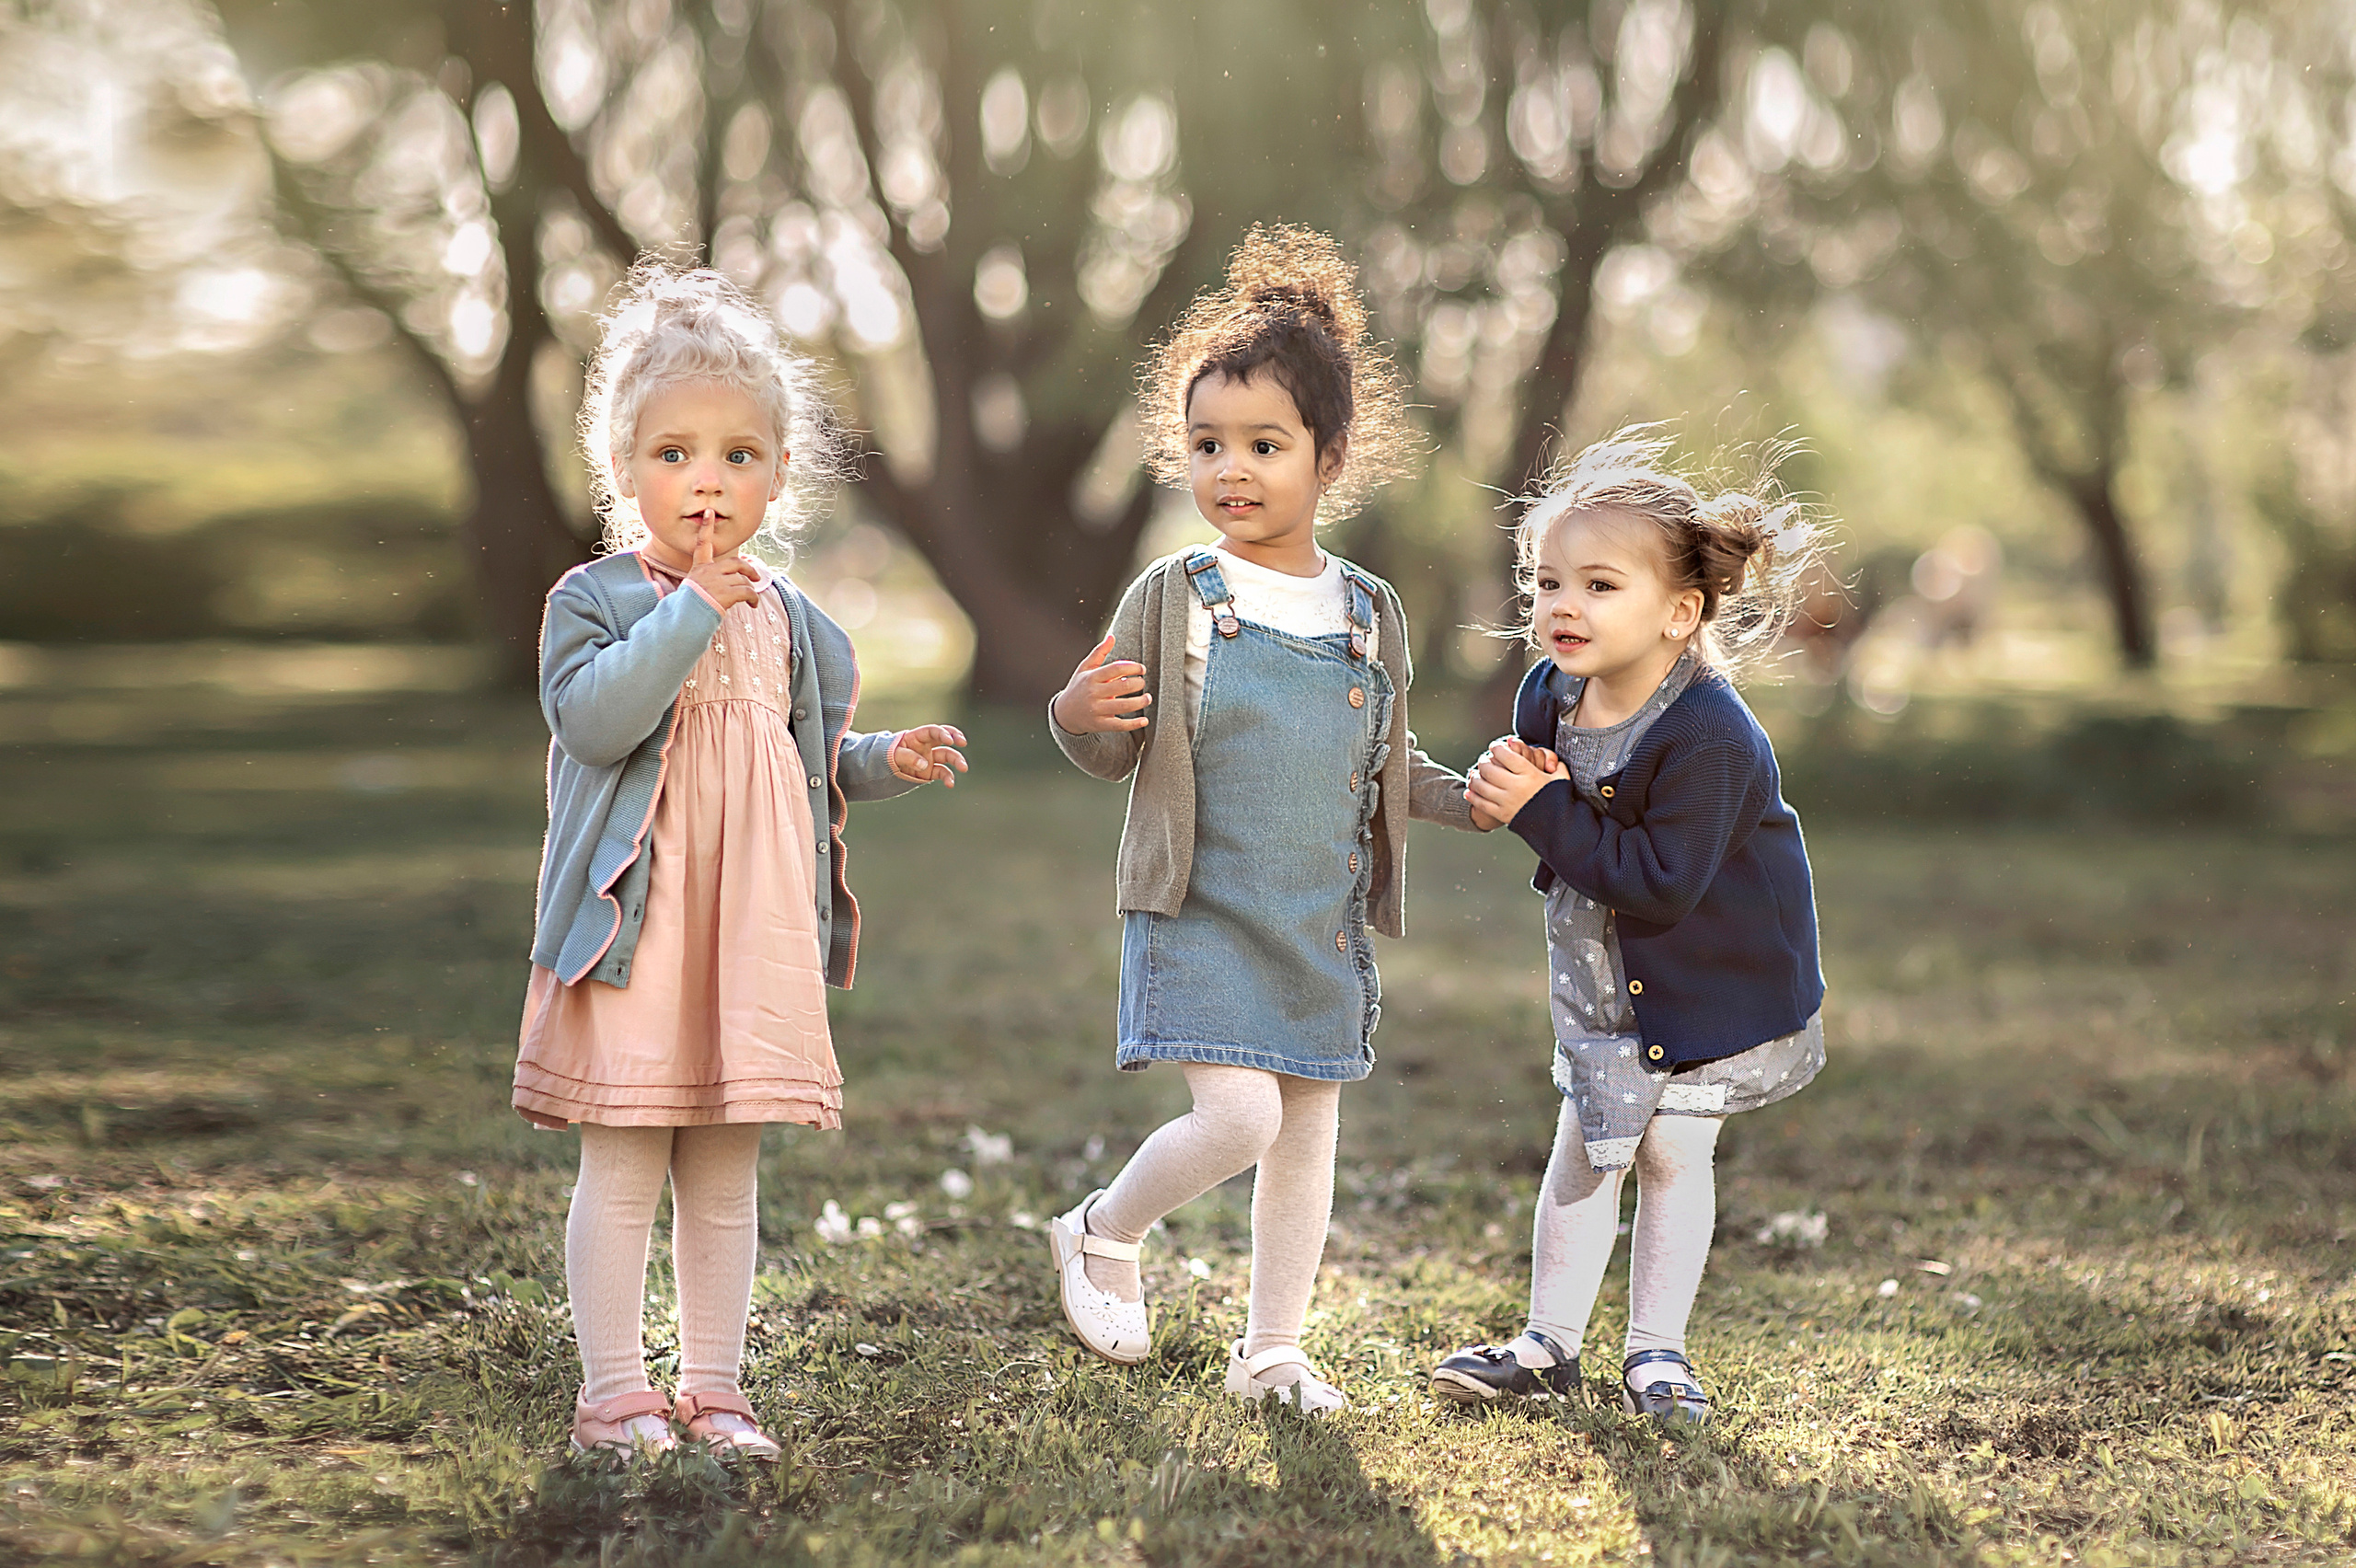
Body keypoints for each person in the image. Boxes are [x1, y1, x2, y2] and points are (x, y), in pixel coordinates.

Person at [511, 263, 966, 1459]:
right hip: (639, 937)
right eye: (674, 454)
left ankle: (714, 1389)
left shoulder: (793, 618)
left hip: (749, 931)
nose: (706, 477)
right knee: (624, 1164)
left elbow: (798, 750)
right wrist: (690, 610)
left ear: (777, 472)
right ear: (624, 468)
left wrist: (885, 758)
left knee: (724, 1168)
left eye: (737, 455)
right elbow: (599, 722)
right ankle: (615, 1393)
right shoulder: (599, 600)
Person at [1045, 225, 1473, 1415]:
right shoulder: (1177, 598)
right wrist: (1073, 711)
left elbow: (1393, 762)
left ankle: (1272, 1349)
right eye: (1207, 444)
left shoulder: (1370, 614)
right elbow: (1107, 742)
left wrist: (1469, 797)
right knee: (1239, 1115)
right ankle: (1101, 1230)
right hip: (1198, 908)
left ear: (1328, 457)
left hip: (1313, 922)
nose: (1231, 468)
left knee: (1306, 1135)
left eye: (1263, 444)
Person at [1430, 429, 1830, 1428]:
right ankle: (1548, 1343)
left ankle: (1657, 1353)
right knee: (1584, 1144)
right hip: (1607, 971)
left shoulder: (1710, 735)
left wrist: (1538, 809)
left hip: (1711, 980)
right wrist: (1504, 786)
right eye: (1547, 582)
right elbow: (1539, 789)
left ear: (1679, 612)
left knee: (1669, 1152)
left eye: (1599, 586)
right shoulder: (1549, 690)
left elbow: (1655, 883)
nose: (1563, 606)